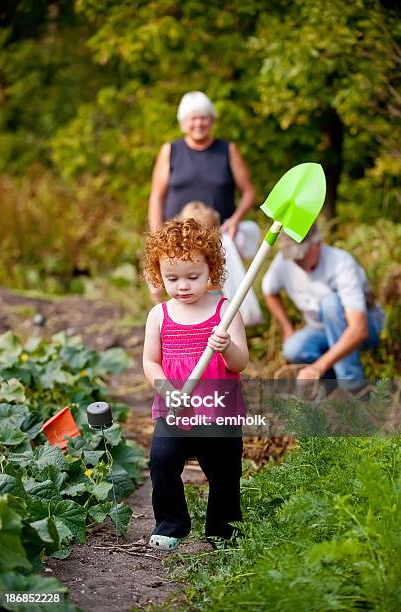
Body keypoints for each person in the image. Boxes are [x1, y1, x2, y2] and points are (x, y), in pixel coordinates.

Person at [142, 218, 249, 551]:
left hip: (218, 414)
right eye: (172, 278)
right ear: (159, 274)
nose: (183, 286)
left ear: (211, 271)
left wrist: (226, 344)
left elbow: (240, 362)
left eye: (193, 277)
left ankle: (223, 528)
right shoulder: (159, 315)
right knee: (162, 462)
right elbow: (150, 361)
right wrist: (167, 390)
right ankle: (172, 522)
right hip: (175, 410)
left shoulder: (225, 312)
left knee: (224, 473)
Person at [147, 91, 256, 302]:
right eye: (192, 118)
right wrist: (156, 235)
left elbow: (249, 192)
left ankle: (225, 327)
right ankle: (170, 329)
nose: (198, 123)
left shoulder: (227, 150)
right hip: (177, 237)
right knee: (176, 289)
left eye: (203, 117)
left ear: (212, 120)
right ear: (183, 122)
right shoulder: (170, 151)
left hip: (217, 235)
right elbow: (156, 197)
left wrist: (235, 219)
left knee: (216, 290)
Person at [261, 224, 385, 388]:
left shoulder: (341, 263)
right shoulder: (285, 262)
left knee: (330, 304)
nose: (297, 261)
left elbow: (359, 329)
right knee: (292, 349)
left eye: (301, 255)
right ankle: (330, 380)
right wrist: (287, 328)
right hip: (321, 330)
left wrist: (319, 366)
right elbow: (269, 291)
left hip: (366, 326)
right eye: (292, 257)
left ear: (318, 244)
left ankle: (352, 386)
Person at [179, 201, 264, 325]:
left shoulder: (223, 250)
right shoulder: (184, 258)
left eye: (211, 230)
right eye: (200, 233)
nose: (206, 238)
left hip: (218, 305)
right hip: (193, 309)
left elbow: (251, 230)